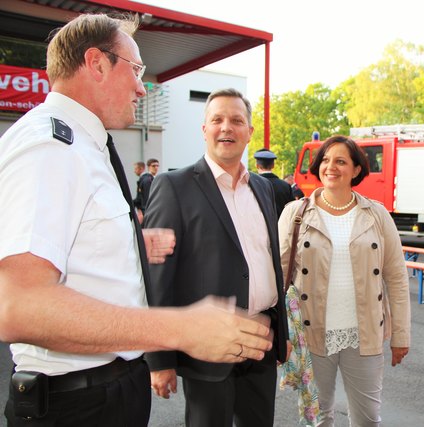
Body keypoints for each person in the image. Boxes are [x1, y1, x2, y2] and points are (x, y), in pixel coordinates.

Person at [0, 14, 272, 426]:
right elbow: (17, 305)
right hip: (78, 402)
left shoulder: (86, 147)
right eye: (137, 69)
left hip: (108, 388)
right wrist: (179, 329)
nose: (142, 87)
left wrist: (128, 245)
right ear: (97, 63)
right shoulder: (50, 145)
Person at [143, 88, 288, 427]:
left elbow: (266, 261)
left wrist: (282, 335)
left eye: (237, 120)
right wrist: (160, 358)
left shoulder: (263, 188)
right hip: (208, 347)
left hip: (261, 341)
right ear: (204, 129)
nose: (227, 128)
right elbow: (158, 277)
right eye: (218, 119)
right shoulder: (173, 186)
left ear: (249, 132)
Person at [279, 135, 411, 427]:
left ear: (356, 169)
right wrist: (280, 334)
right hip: (311, 333)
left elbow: (397, 278)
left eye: (341, 161)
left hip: (364, 334)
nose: (331, 167)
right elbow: (277, 276)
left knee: (367, 419)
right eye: (325, 160)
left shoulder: (376, 214)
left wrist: (401, 334)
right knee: (317, 418)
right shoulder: (295, 213)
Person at [254, 148, 294, 217]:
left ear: (257, 165)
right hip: (281, 226)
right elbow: (292, 209)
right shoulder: (285, 186)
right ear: (273, 165)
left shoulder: (252, 185)